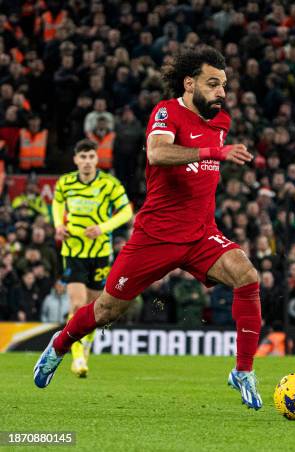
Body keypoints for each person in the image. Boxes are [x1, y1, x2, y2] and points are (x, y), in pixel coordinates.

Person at [34, 48, 264, 411]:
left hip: (202, 234)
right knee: (106, 309)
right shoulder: (165, 111)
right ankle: (59, 346)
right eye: (213, 83)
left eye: (224, 85)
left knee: (247, 275)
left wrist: (214, 151)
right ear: (190, 84)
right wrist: (210, 153)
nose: (222, 92)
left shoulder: (222, 123)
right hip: (155, 237)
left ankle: (243, 371)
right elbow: (157, 154)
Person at [52, 138, 133, 377]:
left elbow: (127, 212)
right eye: (83, 157)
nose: (87, 162)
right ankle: (76, 358)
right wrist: (58, 225)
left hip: (99, 254)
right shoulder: (65, 183)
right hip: (74, 251)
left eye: (91, 157)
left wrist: (103, 227)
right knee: (77, 305)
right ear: (76, 159)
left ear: (97, 159)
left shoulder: (109, 184)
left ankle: (84, 348)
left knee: (95, 310)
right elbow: (57, 205)